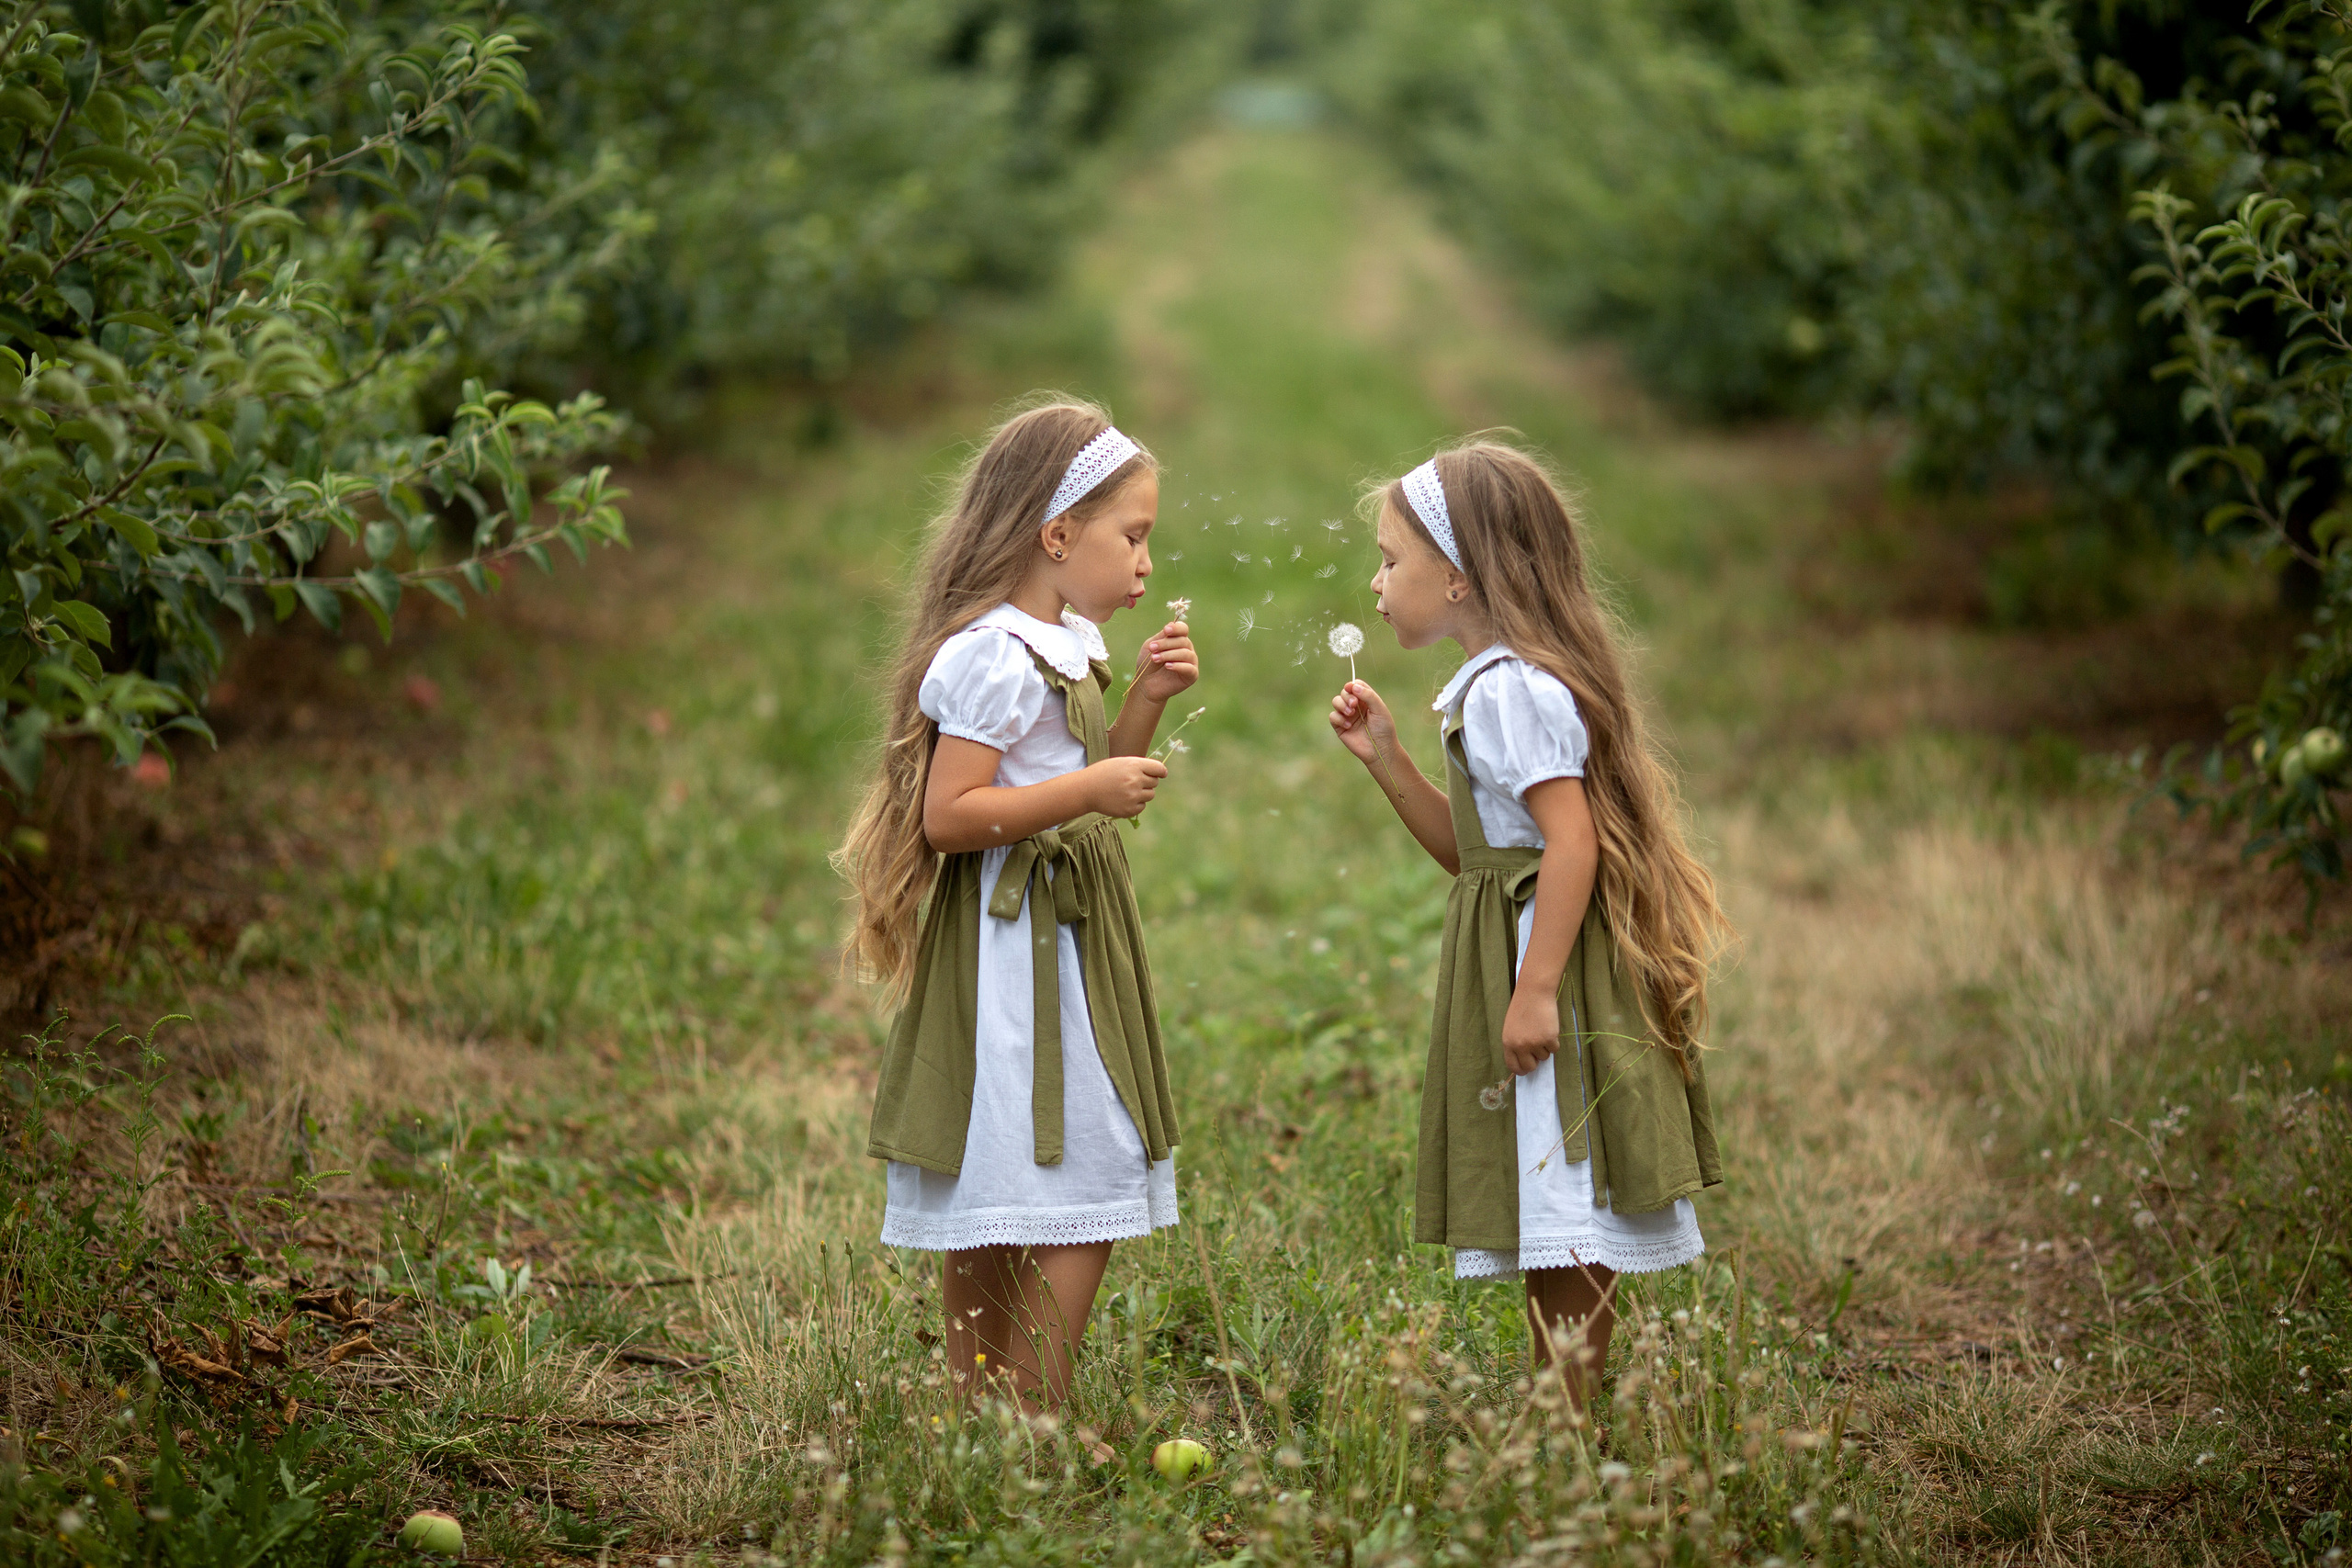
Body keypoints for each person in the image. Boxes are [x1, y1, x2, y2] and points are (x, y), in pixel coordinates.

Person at [1328, 440, 1727, 1404]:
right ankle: (1565, 1405)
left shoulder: (1512, 689)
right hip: (1523, 944)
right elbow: (1479, 858)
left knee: (1565, 1195)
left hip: (1549, 965)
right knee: (1552, 1199)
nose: (1376, 583)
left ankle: (1569, 1412)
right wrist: (1387, 760)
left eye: (1391, 559)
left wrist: (1535, 988)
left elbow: (1570, 842)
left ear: (1458, 578)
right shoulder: (1496, 684)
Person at [835, 396, 1196, 1414]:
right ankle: (1032, 1416)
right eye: (1133, 537)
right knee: (1076, 1177)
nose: (1145, 564)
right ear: (1055, 535)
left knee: (1018, 1176)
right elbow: (956, 814)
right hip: (1015, 949)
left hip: (1066, 937)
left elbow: (1080, 770)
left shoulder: (1067, 640)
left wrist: (1145, 706)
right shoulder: (993, 652)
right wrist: (1087, 793)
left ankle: (986, 1418)